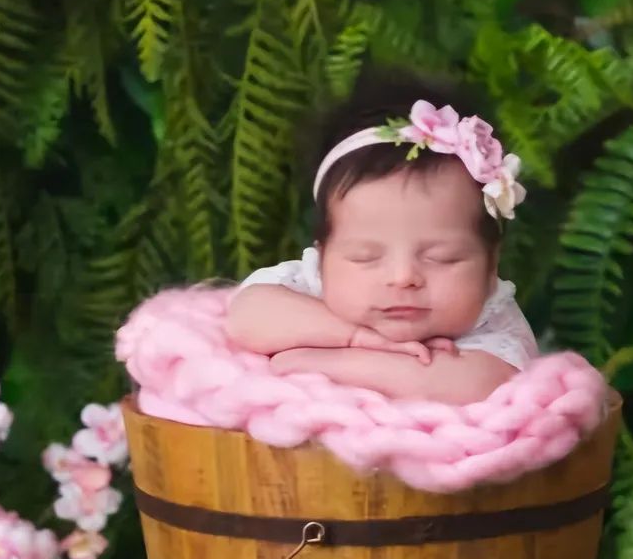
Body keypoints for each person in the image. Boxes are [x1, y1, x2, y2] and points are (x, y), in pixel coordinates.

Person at [224, 70, 537, 405]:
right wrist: (353, 337)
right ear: (322, 257)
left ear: (491, 264)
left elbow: (484, 384)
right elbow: (246, 316)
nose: (403, 277)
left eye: (442, 257)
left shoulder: (491, 317)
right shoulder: (311, 284)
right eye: (365, 256)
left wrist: (334, 363)